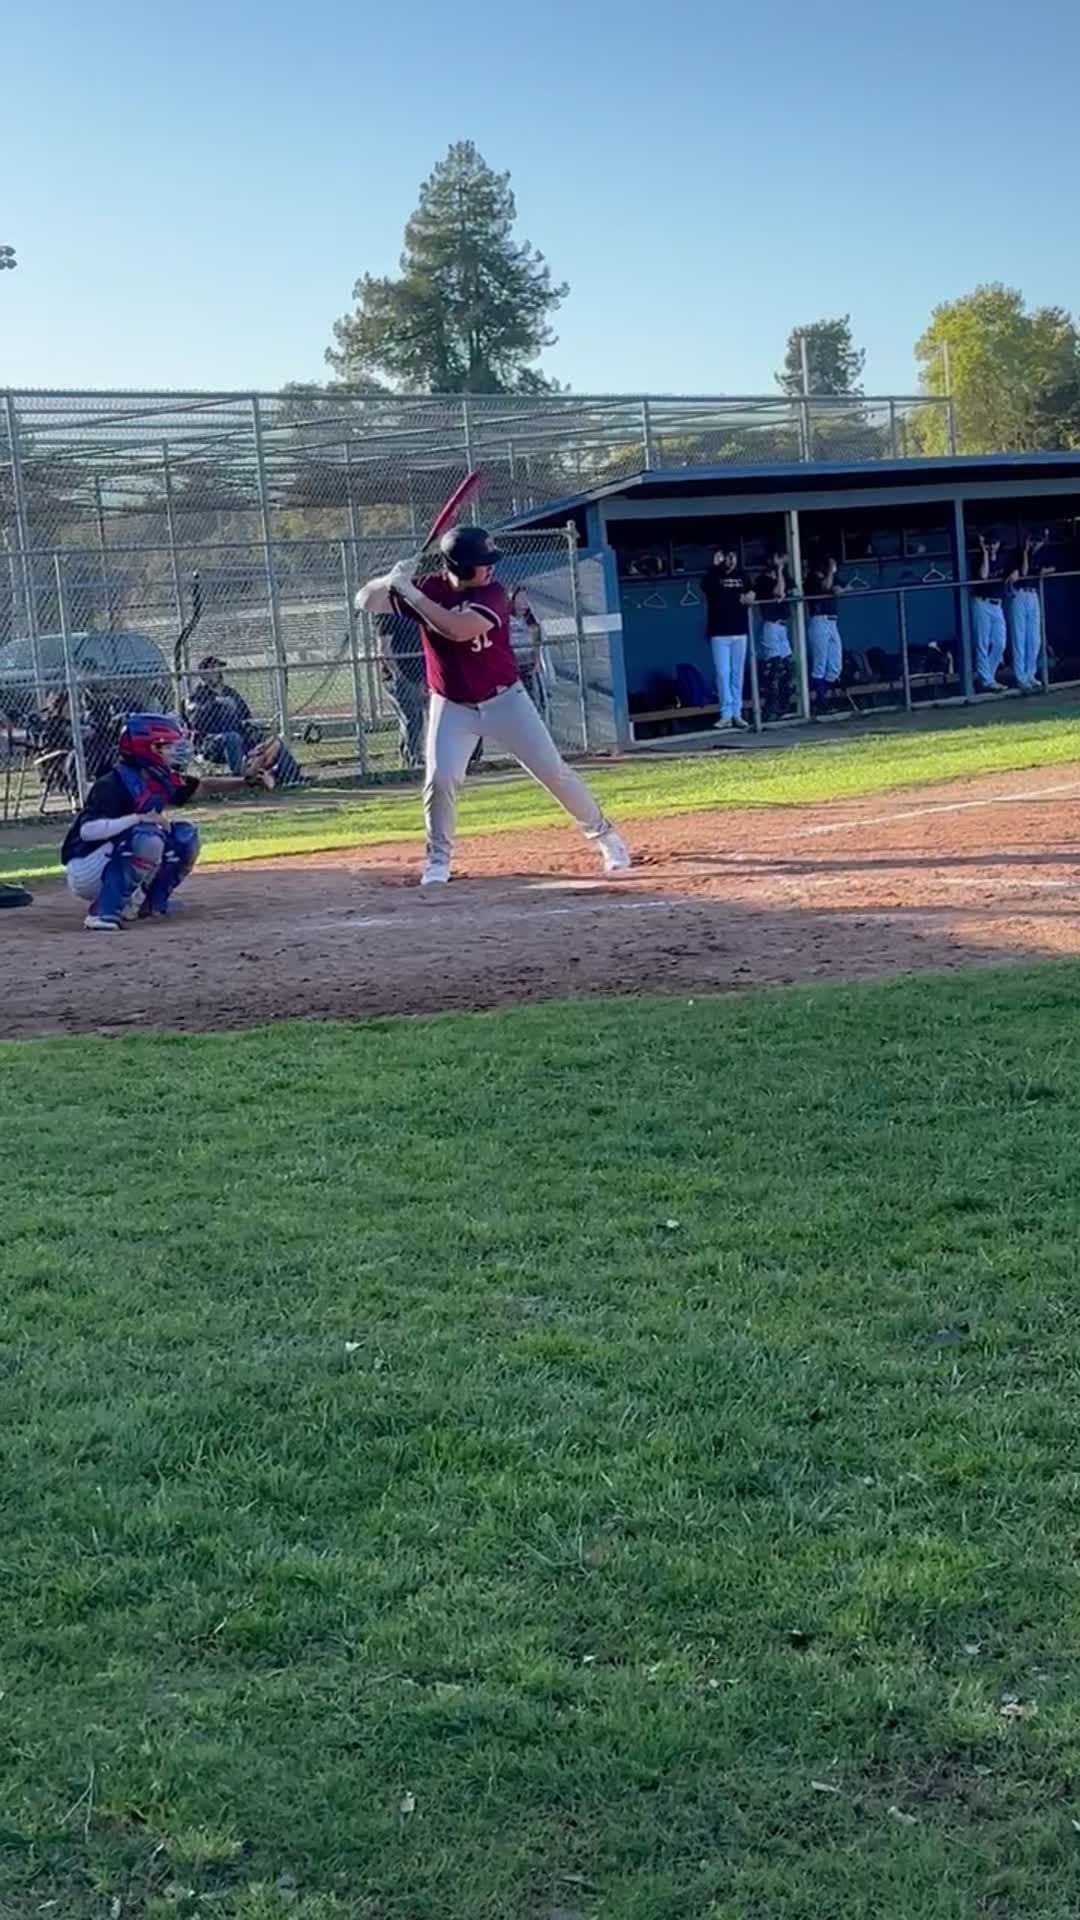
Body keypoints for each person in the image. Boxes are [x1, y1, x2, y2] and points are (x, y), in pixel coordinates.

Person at [356, 525, 630, 888]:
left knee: (553, 772)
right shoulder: (426, 587)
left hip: (505, 701)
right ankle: (438, 862)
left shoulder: (493, 593)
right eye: (482, 563)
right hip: (452, 704)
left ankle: (606, 837)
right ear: (461, 566)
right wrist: (389, 580)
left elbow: (457, 629)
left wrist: (412, 596)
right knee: (440, 779)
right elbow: (364, 600)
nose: (490, 568)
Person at [60, 711, 267, 932]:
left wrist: (247, 781)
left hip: (114, 854)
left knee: (184, 836)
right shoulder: (113, 783)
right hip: (86, 865)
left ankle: (148, 904)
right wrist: (138, 818)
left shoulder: (159, 777)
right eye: (167, 746)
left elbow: (203, 786)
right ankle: (103, 912)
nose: (174, 751)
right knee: (147, 837)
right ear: (149, 749)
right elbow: (88, 831)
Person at [186, 655, 303, 785]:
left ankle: (292, 779)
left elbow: (246, 717)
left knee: (273, 741)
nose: (216, 673)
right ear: (203, 675)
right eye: (211, 669)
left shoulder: (230, 693)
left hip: (241, 738)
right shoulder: (197, 695)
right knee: (232, 737)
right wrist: (216, 703)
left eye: (217, 669)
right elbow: (196, 722)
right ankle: (240, 781)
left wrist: (259, 729)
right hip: (212, 743)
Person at [701, 549, 754, 731]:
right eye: (727, 556)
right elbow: (709, 589)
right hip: (719, 631)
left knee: (737, 674)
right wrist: (715, 567)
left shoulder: (743, 576)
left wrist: (750, 597)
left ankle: (737, 713)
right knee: (722, 673)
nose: (731, 560)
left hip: (740, 630)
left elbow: (750, 593)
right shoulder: (713, 576)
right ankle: (726, 714)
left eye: (733, 556)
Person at [376, 611, 427, 768]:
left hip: (418, 672)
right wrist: (396, 673)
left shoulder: (416, 612)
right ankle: (413, 757)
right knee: (411, 717)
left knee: (417, 715)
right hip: (399, 676)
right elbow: (384, 648)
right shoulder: (387, 614)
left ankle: (410, 756)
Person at [803, 550, 850, 712]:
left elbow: (843, 587)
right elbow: (825, 587)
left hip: (832, 622)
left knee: (835, 666)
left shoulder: (830, 576)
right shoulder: (812, 578)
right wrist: (830, 573)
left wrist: (839, 589)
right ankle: (820, 701)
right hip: (818, 621)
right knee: (820, 664)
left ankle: (824, 696)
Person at [1006, 532, 1052, 692]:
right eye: (1033, 541)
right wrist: (1026, 552)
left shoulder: (1043, 553)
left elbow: (1053, 566)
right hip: (1019, 595)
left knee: (1035, 639)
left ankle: (1030, 674)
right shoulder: (1018, 554)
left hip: (1033, 594)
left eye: (1038, 541)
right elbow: (1024, 572)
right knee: (1020, 637)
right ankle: (1021, 677)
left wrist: (1047, 570)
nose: (1035, 544)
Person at [753, 546, 795, 722]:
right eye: (777, 558)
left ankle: (783, 707)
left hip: (783, 627)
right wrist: (779, 570)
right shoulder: (762, 580)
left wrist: (782, 573)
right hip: (770, 626)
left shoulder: (786, 577)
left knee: (787, 667)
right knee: (775, 668)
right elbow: (778, 593)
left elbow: (791, 591)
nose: (780, 561)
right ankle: (770, 709)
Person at [970, 534, 1007, 692]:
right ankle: (987, 680)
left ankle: (987, 678)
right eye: (989, 544)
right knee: (982, 643)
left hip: (997, 604)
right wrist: (985, 553)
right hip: (981, 602)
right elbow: (984, 575)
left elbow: (1015, 571)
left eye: (994, 543)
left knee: (1000, 643)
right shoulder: (978, 558)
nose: (992, 546)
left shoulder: (1003, 558)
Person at [509, 587, 546, 714]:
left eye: (525, 598)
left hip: (528, 663)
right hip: (513, 664)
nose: (524, 601)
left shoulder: (530, 620)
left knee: (533, 697)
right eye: (520, 598)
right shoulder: (507, 618)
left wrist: (537, 662)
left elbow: (537, 642)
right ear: (512, 600)